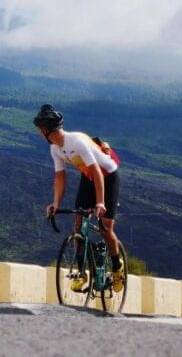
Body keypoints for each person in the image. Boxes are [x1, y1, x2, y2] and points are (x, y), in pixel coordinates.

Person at [33, 104, 125, 292]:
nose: (39, 134)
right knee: (78, 225)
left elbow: (98, 172)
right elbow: (60, 176)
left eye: (39, 130)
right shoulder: (55, 149)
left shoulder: (76, 142)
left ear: (46, 129)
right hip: (89, 177)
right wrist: (55, 203)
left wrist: (100, 202)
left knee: (105, 228)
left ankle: (117, 266)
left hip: (107, 176)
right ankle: (82, 272)